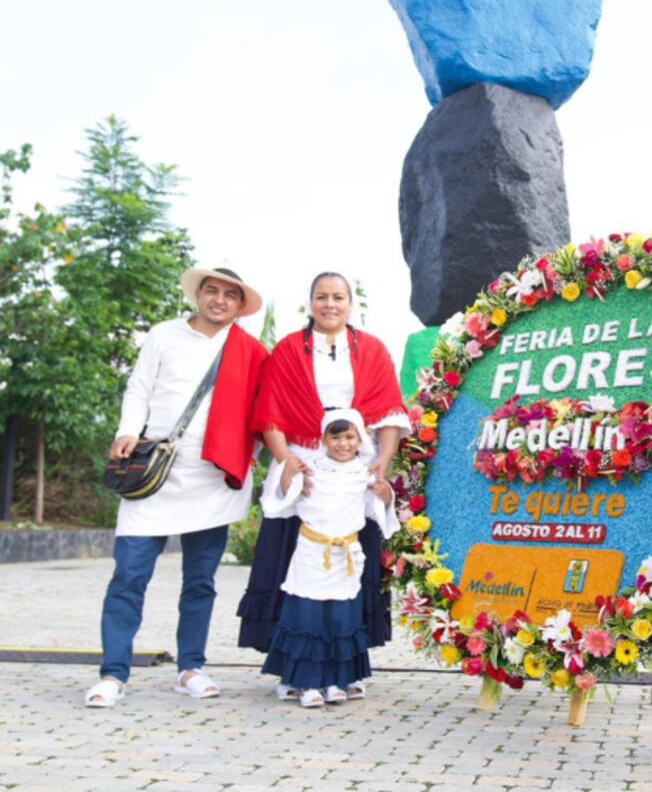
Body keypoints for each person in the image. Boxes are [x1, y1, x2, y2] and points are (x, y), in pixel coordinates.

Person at [85, 265, 269, 707]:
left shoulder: (250, 351)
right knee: (129, 575)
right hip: (153, 473)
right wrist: (127, 430)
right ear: (198, 295)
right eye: (212, 291)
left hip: (213, 476)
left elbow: (263, 413)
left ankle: (191, 667)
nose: (219, 300)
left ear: (240, 305)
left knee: (201, 581)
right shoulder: (163, 335)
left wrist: (252, 461)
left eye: (230, 295)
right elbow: (139, 388)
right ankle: (113, 674)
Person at [237, 272, 410, 700]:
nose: (329, 304)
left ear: (350, 304)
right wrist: (287, 462)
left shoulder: (371, 350)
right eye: (321, 297)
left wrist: (381, 465)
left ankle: (344, 666)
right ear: (310, 302)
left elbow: (389, 413)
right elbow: (271, 413)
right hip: (305, 465)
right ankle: (293, 670)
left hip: (356, 466)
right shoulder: (289, 350)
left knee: (353, 563)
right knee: (294, 565)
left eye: (338, 297)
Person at [260, 409, 400, 707]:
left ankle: (338, 678)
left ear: (360, 440)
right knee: (309, 616)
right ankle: (306, 681)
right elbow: (282, 500)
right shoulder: (311, 469)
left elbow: (380, 510)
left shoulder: (365, 474)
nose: (343, 444)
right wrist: (289, 476)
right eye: (335, 437)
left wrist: (384, 494)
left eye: (350, 437)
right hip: (312, 555)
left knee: (341, 617)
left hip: (345, 558)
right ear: (324, 439)